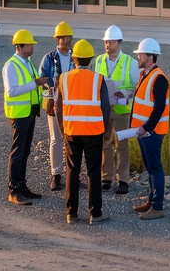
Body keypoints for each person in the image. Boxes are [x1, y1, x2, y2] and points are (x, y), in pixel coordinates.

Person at [56, 39, 112, 225]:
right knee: (93, 172)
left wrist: (63, 129)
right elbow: (105, 108)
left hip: (71, 132)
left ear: (74, 58)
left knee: (72, 170)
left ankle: (71, 213)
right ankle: (95, 214)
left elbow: (58, 107)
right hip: (93, 132)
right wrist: (105, 131)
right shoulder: (98, 79)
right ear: (91, 59)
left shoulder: (63, 78)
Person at [3, 29, 50, 205]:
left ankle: (21, 186)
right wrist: (35, 84)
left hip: (29, 112)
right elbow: (12, 91)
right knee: (17, 152)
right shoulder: (11, 66)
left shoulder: (27, 63)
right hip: (19, 114)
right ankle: (13, 190)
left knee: (25, 151)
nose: (32, 47)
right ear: (20, 46)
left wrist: (41, 87)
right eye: (29, 44)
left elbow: (31, 86)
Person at [129, 38, 170, 220]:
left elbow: (159, 107)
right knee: (150, 167)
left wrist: (146, 128)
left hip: (151, 132)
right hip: (144, 132)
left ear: (150, 56)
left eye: (140, 55)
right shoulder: (145, 74)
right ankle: (152, 201)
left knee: (155, 168)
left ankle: (157, 207)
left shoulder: (158, 78)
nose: (138, 57)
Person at [94, 24, 137, 195]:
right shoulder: (98, 60)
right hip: (104, 109)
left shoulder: (130, 62)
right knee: (105, 144)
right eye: (106, 42)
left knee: (122, 146)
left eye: (110, 42)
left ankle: (123, 180)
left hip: (122, 110)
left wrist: (123, 92)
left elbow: (134, 87)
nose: (107, 45)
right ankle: (106, 178)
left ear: (118, 43)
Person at [38, 21, 75, 191]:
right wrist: (51, 88)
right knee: (56, 139)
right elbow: (42, 80)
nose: (67, 40)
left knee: (72, 139)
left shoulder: (76, 57)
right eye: (64, 38)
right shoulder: (49, 58)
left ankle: (71, 174)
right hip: (54, 103)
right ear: (57, 39)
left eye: (69, 37)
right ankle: (56, 175)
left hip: (73, 105)